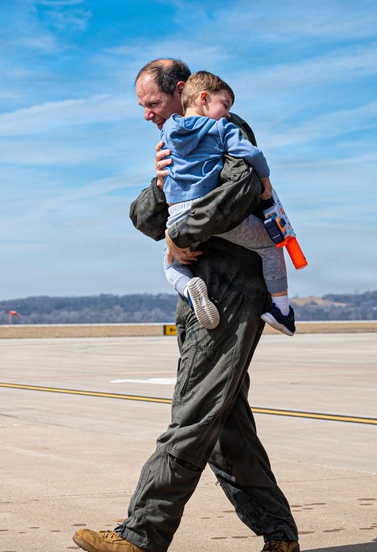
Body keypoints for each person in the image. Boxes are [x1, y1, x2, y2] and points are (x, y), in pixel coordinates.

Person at [73, 59, 300, 552]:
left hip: (228, 290)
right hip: (207, 290)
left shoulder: (221, 126)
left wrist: (181, 233)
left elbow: (241, 190)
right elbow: (143, 217)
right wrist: (158, 187)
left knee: (194, 413)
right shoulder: (174, 143)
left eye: (152, 103)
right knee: (225, 426)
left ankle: (141, 535)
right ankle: (279, 537)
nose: (148, 115)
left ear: (182, 92)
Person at [159, 70, 294, 335]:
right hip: (209, 210)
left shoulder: (167, 130)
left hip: (176, 212)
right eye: (226, 104)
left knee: (171, 264)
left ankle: (189, 288)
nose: (229, 113)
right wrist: (265, 178)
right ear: (205, 99)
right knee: (270, 246)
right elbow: (251, 153)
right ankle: (283, 311)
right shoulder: (219, 127)